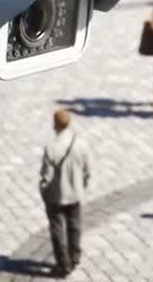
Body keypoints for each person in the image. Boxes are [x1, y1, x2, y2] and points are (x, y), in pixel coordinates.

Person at [40, 109, 91, 278]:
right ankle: (75, 256)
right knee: (75, 226)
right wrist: (82, 186)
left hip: (56, 195)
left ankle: (63, 264)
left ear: (55, 124)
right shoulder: (81, 143)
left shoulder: (51, 147)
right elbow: (87, 171)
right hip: (75, 193)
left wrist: (43, 189)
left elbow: (46, 175)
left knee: (57, 229)